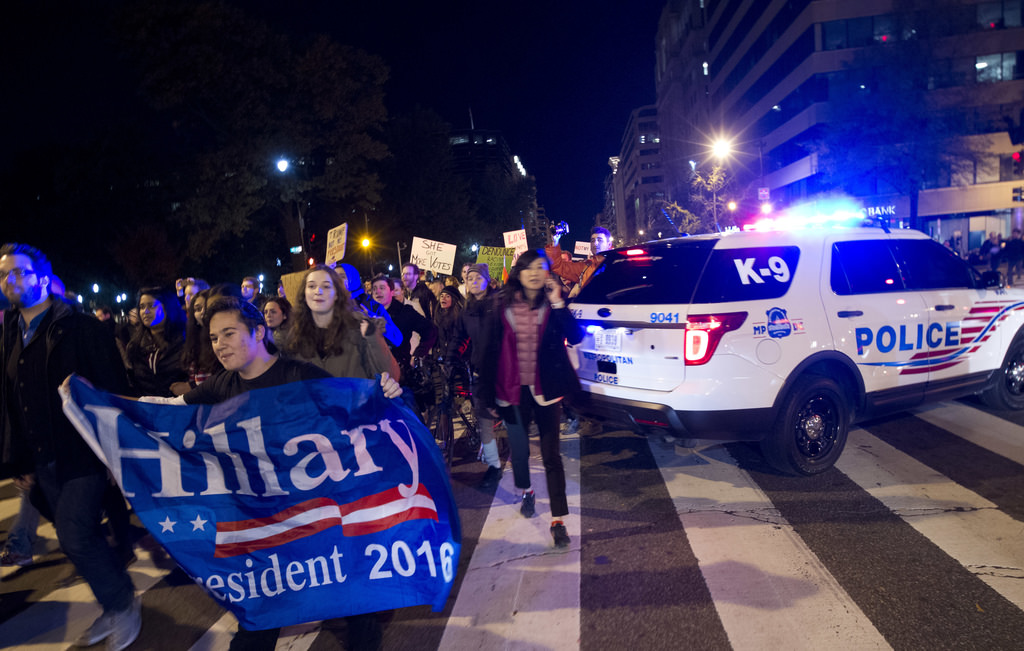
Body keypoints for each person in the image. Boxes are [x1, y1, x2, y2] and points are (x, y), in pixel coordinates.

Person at [163, 296, 402, 650]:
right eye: (214, 338)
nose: (220, 345)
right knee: (259, 616)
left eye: (229, 334)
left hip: (320, 513)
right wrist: (99, 406)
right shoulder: (221, 385)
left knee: (355, 600)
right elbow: (166, 411)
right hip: (267, 523)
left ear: (259, 331)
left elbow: (353, 410)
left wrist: (384, 393)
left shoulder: (299, 375)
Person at [0, 243, 141, 650]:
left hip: (84, 453)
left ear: (43, 277)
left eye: (20, 271)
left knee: (75, 534)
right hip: (41, 458)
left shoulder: (80, 329)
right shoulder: (9, 331)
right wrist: (18, 460)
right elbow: (10, 398)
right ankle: (114, 601)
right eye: (4, 274)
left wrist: (116, 454)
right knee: (76, 537)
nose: (11, 280)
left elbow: (113, 392)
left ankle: (123, 603)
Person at [478, 249, 583, 548]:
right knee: (520, 453)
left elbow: (576, 337)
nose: (535, 273)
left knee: (552, 457)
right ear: (519, 273)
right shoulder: (499, 306)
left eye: (541, 268)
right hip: (511, 392)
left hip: (546, 392)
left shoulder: (554, 305)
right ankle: (526, 491)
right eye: (529, 268)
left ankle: (558, 520)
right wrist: (484, 394)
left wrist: (559, 302)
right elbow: (487, 352)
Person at [282, 265, 399, 381]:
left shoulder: (358, 328)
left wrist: (373, 336)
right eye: (312, 286)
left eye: (326, 286)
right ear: (304, 293)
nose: (318, 291)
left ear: (337, 294)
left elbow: (390, 376)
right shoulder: (294, 336)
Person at [446, 263, 502, 486]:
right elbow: (460, 338)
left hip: (504, 371)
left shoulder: (500, 303)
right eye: (470, 279)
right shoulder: (466, 311)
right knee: (484, 421)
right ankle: (494, 465)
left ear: (488, 280)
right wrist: (451, 358)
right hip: (480, 372)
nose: (474, 282)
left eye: (478, 277)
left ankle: (521, 460)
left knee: (514, 418)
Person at [125, 286, 189, 397]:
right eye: (142, 307)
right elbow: (132, 382)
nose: (145, 311)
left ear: (168, 307)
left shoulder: (185, 339)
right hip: (148, 410)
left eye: (152, 306)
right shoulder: (134, 346)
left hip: (180, 409)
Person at [371, 274, 436, 377]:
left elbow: (430, 330)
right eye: (374, 289)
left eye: (382, 288)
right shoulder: (366, 315)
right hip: (373, 373)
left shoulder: (405, 312)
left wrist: (417, 354)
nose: (377, 291)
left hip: (399, 372)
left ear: (391, 291)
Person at [336, 262, 402, 348]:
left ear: (353, 278)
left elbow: (397, 338)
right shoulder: (329, 305)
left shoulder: (370, 305)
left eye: (342, 276)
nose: (337, 280)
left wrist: (373, 320)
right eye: (334, 277)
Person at [545, 226, 614, 298]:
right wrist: (555, 241)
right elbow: (558, 266)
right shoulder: (584, 268)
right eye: (593, 240)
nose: (595, 243)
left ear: (609, 244)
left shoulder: (617, 265)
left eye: (600, 240)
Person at [179, 288, 220, 391]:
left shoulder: (221, 341)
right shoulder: (193, 341)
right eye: (197, 309)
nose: (203, 312)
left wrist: (191, 387)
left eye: (207, 307)